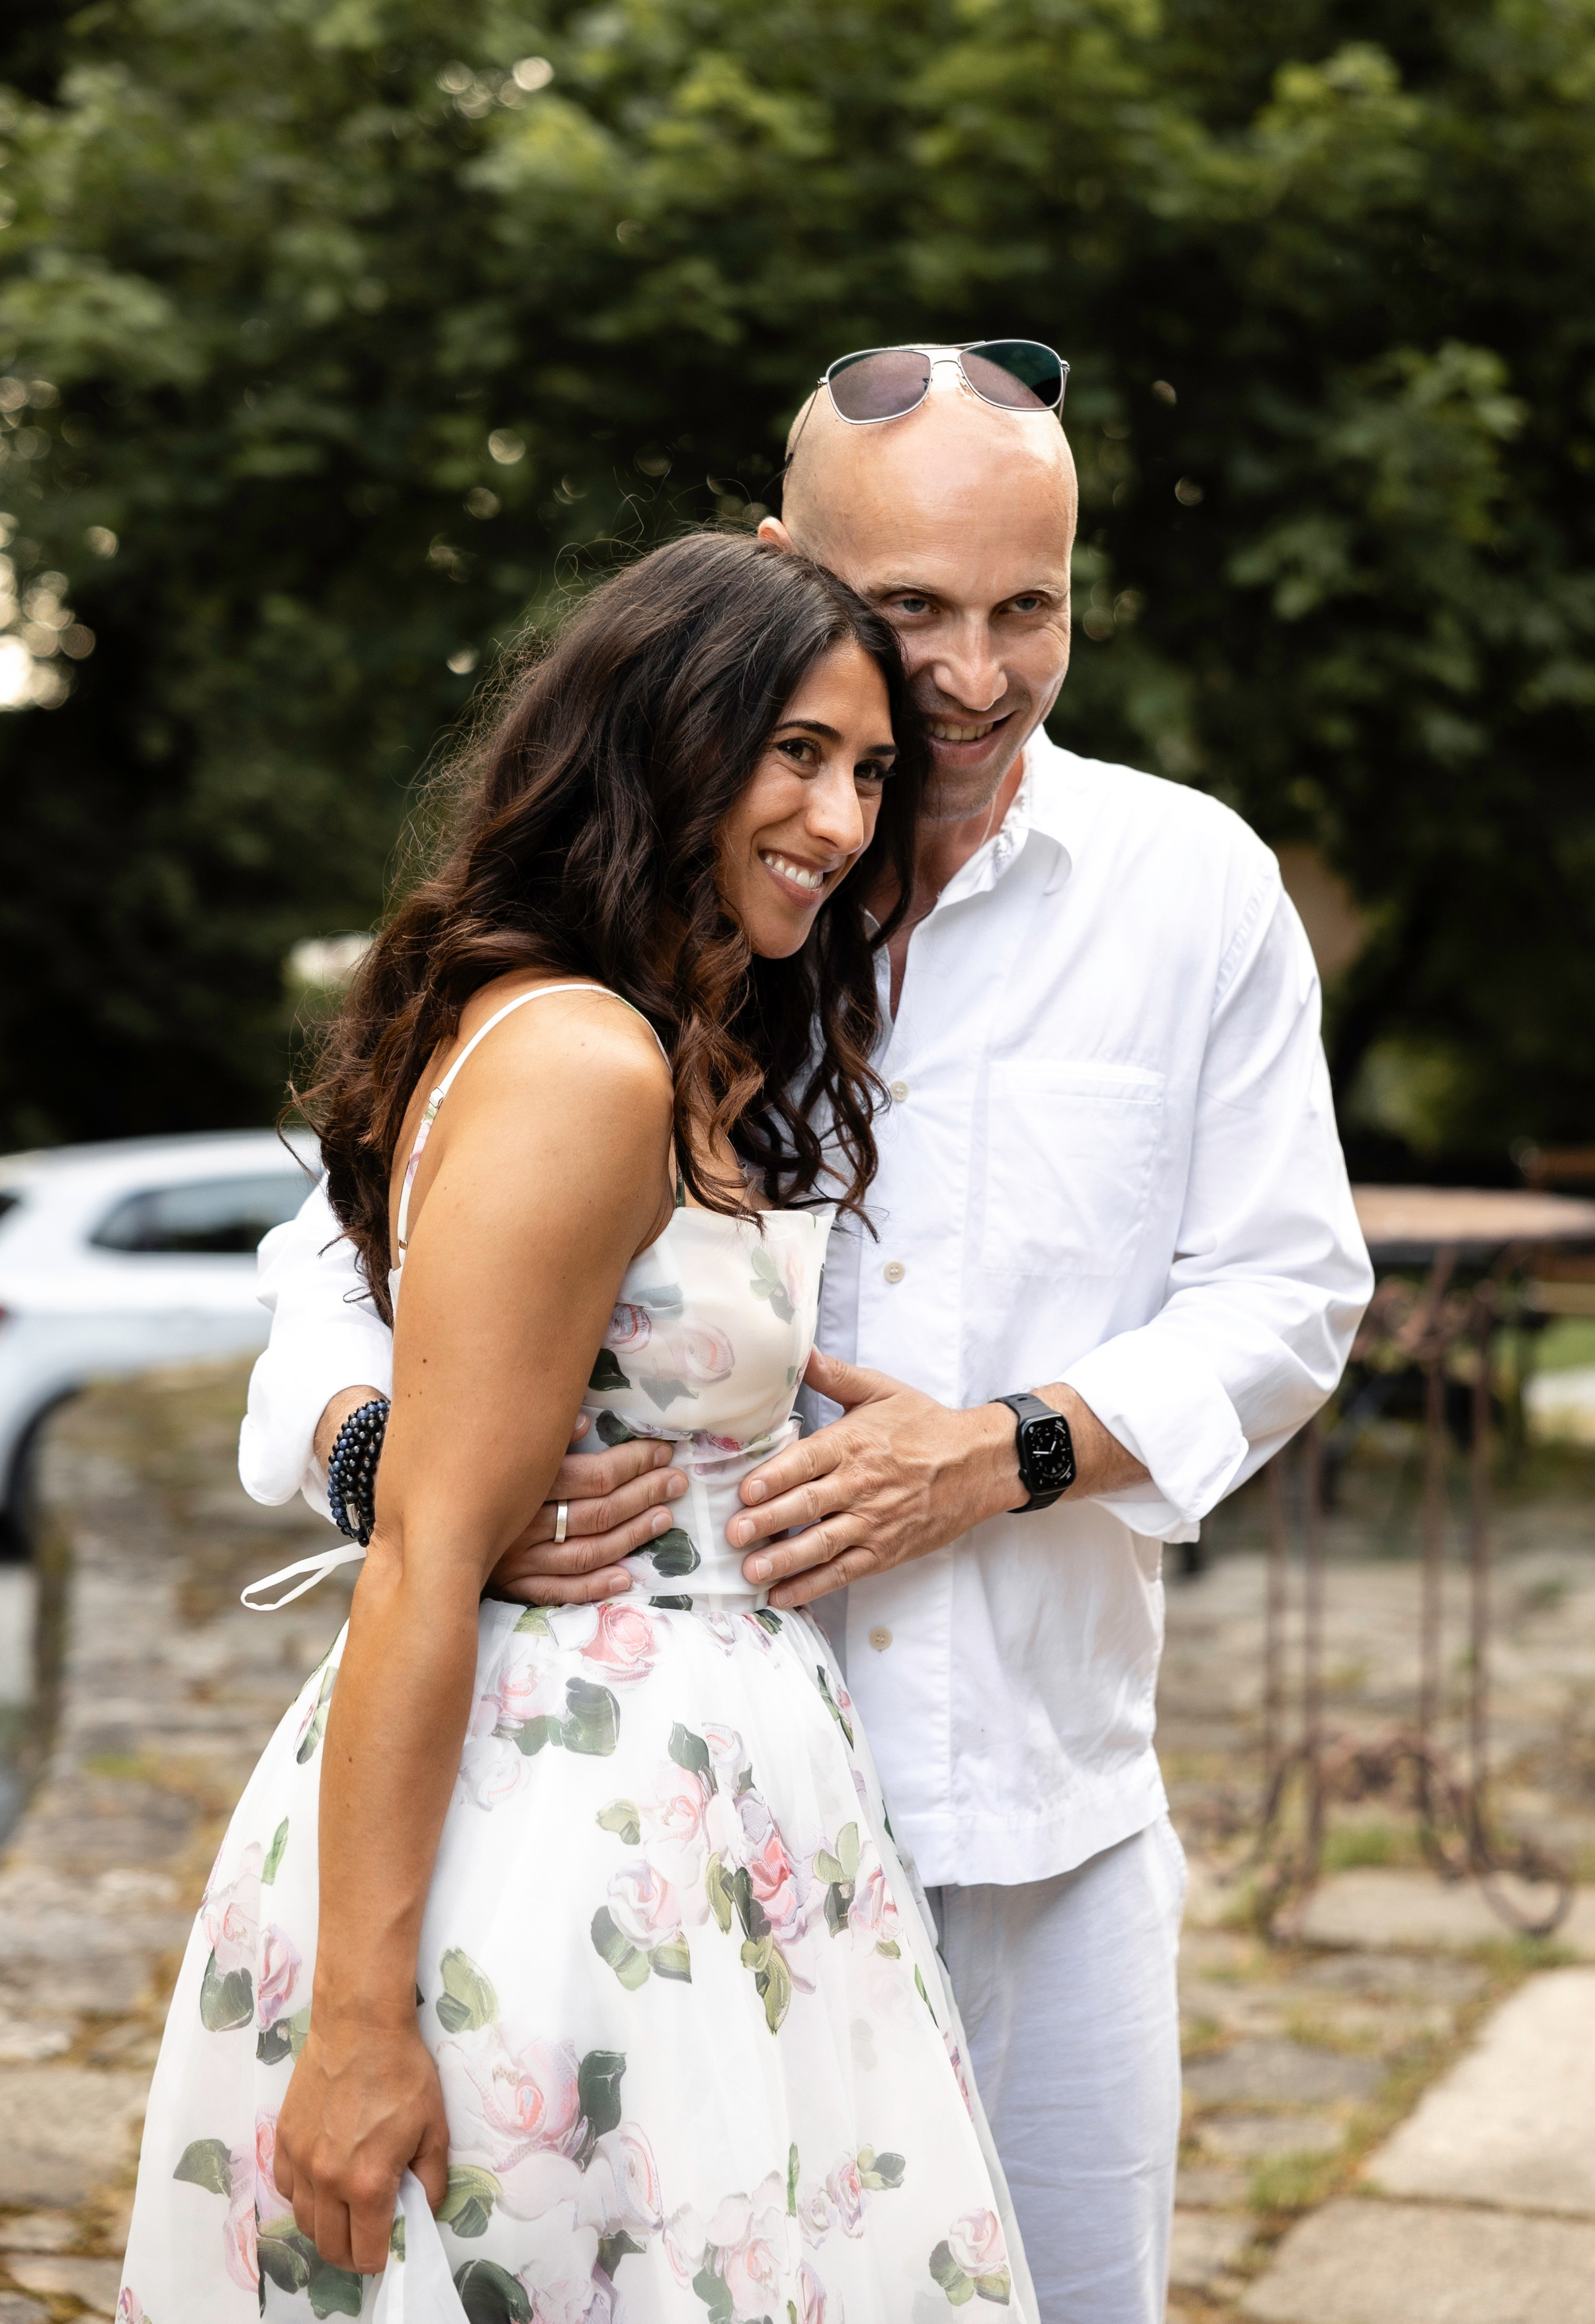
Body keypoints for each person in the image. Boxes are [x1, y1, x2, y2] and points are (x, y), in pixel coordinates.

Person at [243, 341, 1374, 2323]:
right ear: (787, 572)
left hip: (1040, 1810)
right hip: (651, 1826)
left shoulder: (1193, 888)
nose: (971, 672)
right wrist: (401, 1473)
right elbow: (337, 1271)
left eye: (1031, 608)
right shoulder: (658, 921)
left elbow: (1293, 1292)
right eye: (911, 610)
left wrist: (1014, 1447)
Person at [119, 534, 1041, 2324]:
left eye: (868, 774)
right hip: (561, 1808)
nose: (844, 820)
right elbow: (424, 1566)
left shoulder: (640, 1035)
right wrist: (363, 2030)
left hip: (688, 1802)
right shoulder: (584, 1061)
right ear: (664, 737)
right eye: (797, 752)